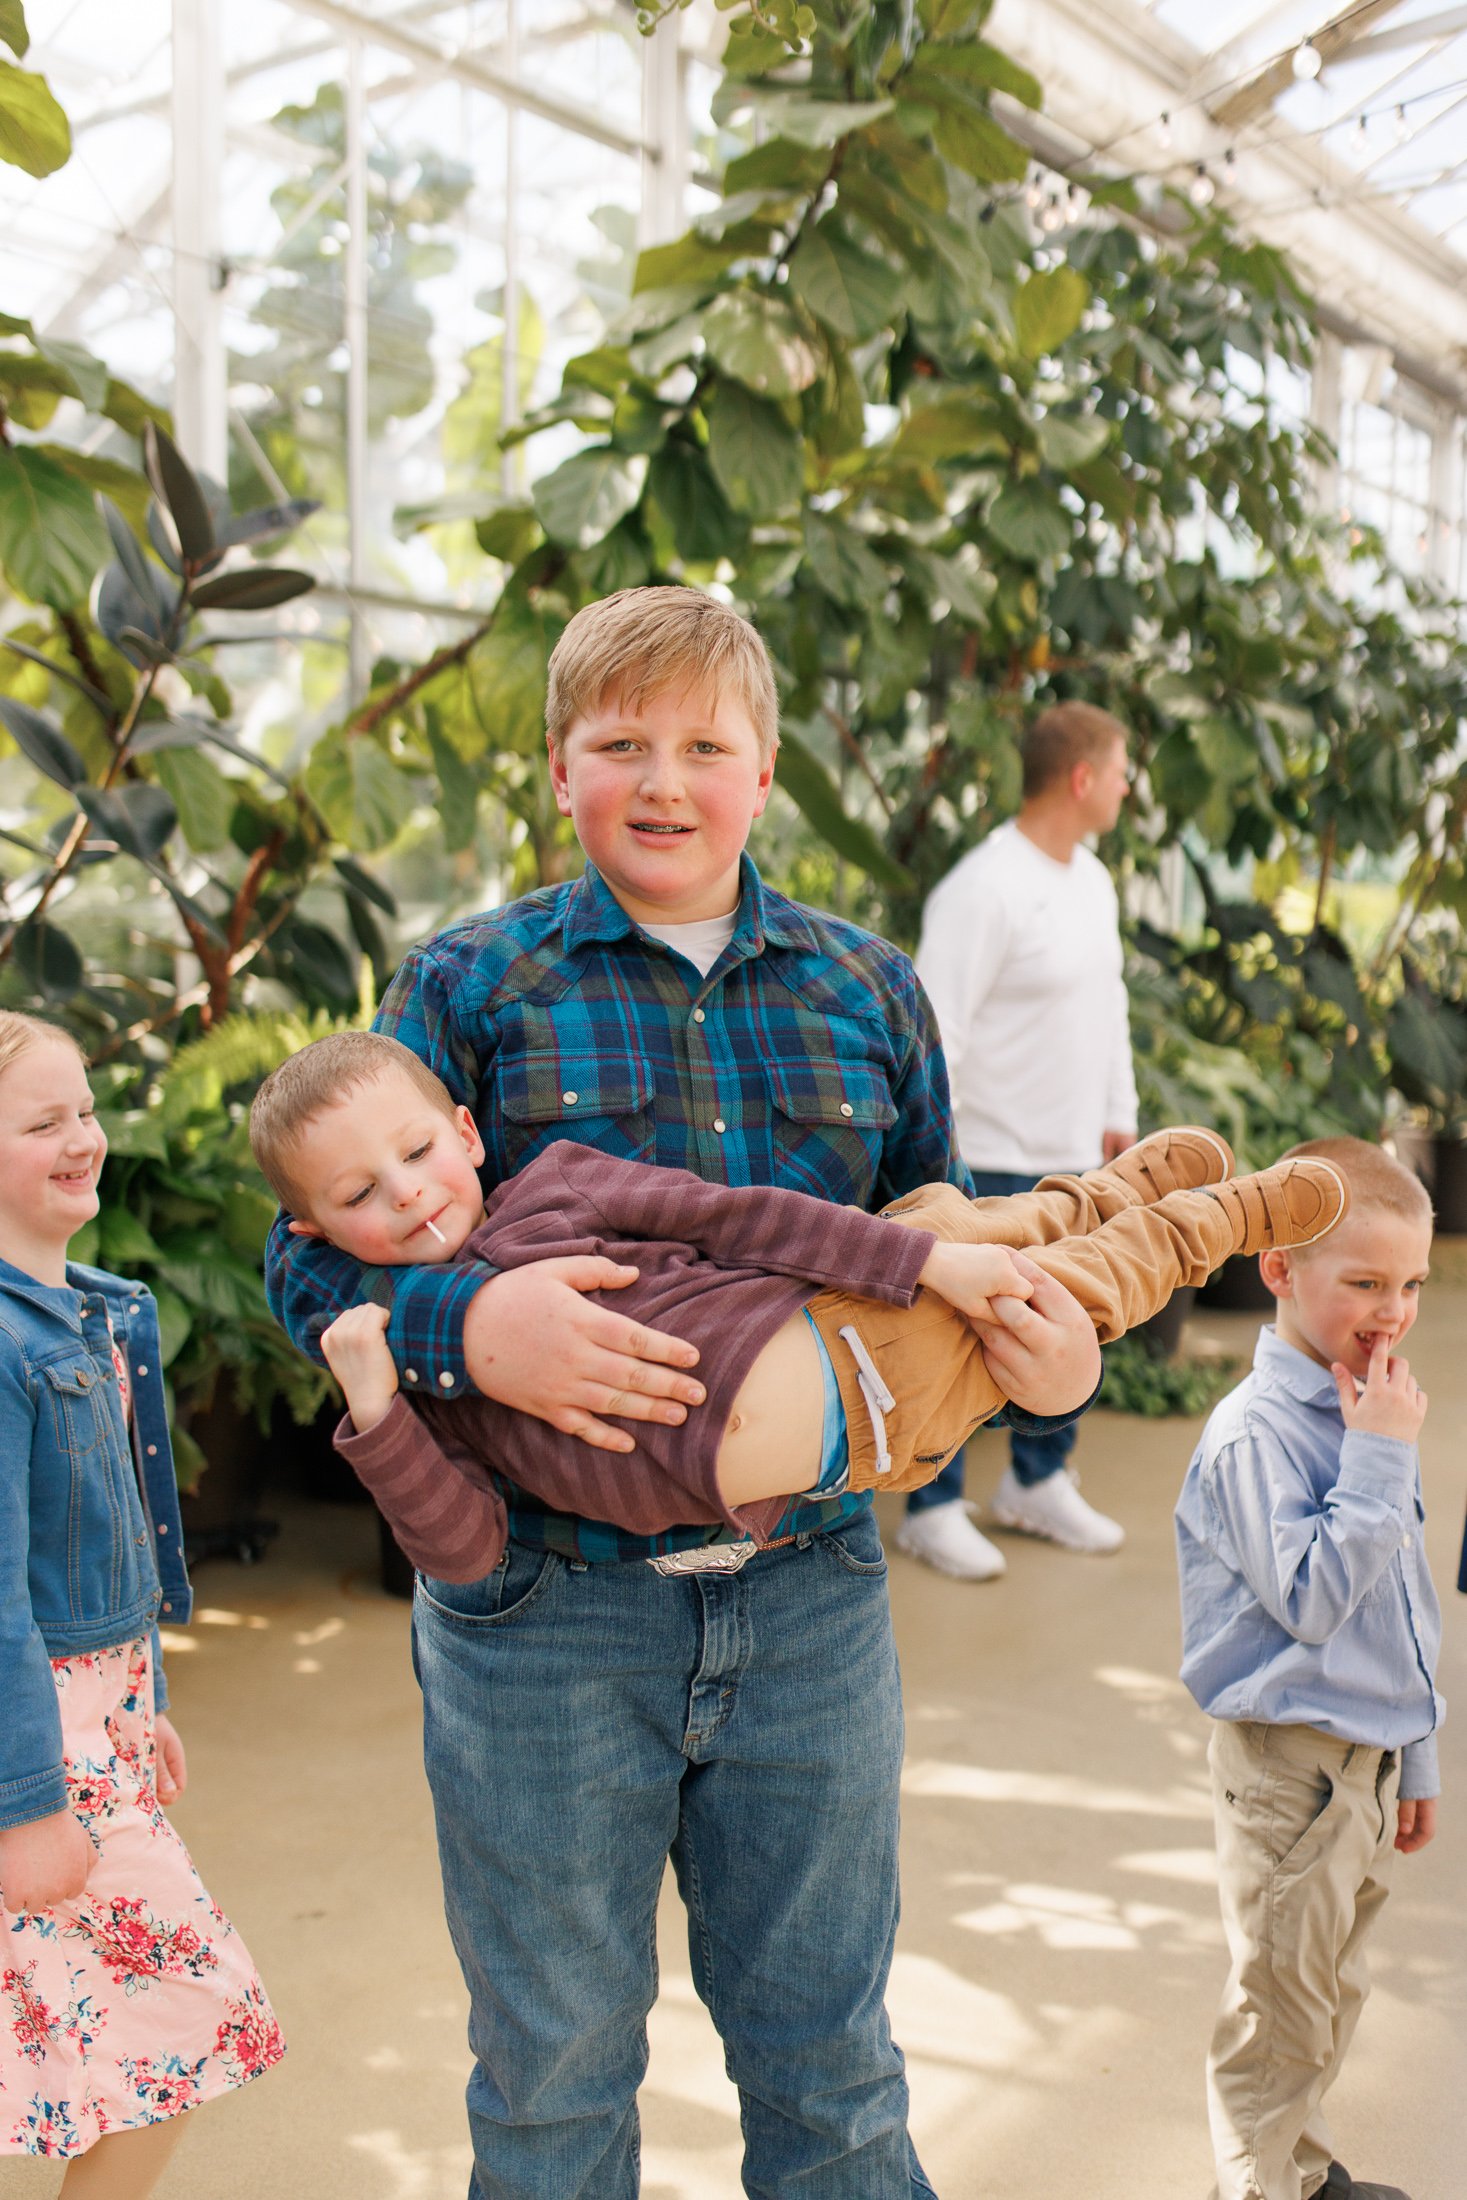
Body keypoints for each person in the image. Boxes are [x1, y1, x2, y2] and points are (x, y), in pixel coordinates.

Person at [263, 584, 1106, 2199]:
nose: (663, 778)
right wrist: (467, 1331)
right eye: (619, 743)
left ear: (763, 770)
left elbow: (924, 1260)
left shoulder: (866, 991)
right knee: (554, 2079)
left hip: (809, 1601)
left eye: (702, 744)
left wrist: (1035, 1362)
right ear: (560, 772)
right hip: (543, 1622)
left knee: (832, 2070)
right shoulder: (468, 984)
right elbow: (312, 1256)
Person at [249, 1031, 1350, 1577]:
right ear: (315, 1229)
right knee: (1098, 1274)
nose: (404, 1193)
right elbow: (466, 1551)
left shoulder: (557, 1188)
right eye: (357, 1192)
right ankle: (1200, 1215)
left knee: (1021, 1240)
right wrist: (381, 1411)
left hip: (854, 1305)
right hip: (880, 1443)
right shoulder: (422, 1387)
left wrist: (923, 1265)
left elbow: (741, 1217)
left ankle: (1183, 1198)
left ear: (467, 1134)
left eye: (416, 1152)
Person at [0, 1012, 284, 2194]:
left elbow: (125, 1535)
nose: (86, 1139)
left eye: (86, 1109)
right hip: (33, 1738)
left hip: (94, 1725)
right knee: (199, 2001)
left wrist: (144, 1699)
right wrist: (24, 1803)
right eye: (43, 1121)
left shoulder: (110, 1310)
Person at [1175, 1136, 1443, 2200]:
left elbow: (1401, 1597)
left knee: (1329, 1992)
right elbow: (1316, 1600)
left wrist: (1413, 1756)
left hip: (1361, 1770)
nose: (1394, 1309)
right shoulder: (1257, 1435)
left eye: (1413, 1283)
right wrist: (1380, 1453)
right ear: (1280, 1269)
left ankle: (1302, 2168)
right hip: (1291, 1774)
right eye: (1366, 1282)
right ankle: (1255, 2188)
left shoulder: (1364, 1396)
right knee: (1277, 2015)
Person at [904, 698, 1138, 1579]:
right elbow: (933, 1035)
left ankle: (1038, 1483)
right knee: (966, 1336)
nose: (1125, 788)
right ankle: (933, 1502)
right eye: (1119, 772)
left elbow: (1107, 1005)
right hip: (987, 1154)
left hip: (1075, 1153)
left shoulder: (1093, 880)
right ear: (1080, 779)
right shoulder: (982, 887)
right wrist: (940, 1170)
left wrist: (1120, 1108)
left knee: (1069, 1314)